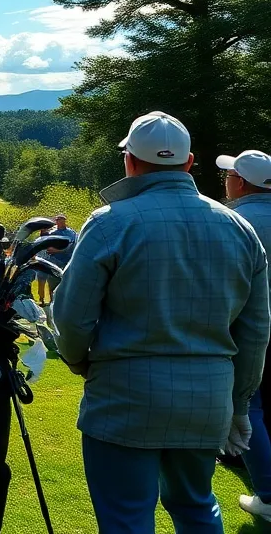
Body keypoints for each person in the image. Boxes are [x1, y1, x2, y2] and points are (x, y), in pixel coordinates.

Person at [54, 111, 270, 534]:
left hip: (124, 396)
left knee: (126, 516)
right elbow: (255, 331)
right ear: (189, 164)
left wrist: (80, 361)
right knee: (195, 505)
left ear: (129, 162)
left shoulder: (109, 221)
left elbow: (72, 318)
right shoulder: (238, 226)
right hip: (207, 399)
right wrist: (239, 404)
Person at [217, 150, 271, 522]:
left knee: (247, 407)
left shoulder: (234, 222)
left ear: (241, 182)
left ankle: (268, 495)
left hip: (250, 331)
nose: (226, 181)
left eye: (229, 175)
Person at [37, 212, 77, 305]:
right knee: (51, 282)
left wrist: (57, 251)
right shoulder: (52, 232)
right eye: (58, 220)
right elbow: (44, 241)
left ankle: (64, 302)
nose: (60, 222)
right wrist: (43, 231)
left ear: (65, 221)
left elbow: (70, 246)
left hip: (66, 261)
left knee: (64, 282)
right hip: (53, 261)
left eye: (62, 220)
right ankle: (49, 301)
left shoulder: (70, 233)